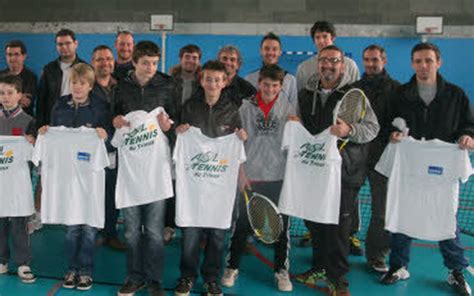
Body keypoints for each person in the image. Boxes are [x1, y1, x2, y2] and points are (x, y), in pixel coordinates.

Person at [380, 42, 474, 296]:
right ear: (412, 63)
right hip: (409, 168)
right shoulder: (401, 95)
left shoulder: (456, 95)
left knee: (445, 219)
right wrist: (393, 134)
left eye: (428, 61)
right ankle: (399, 266)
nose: (423, 66)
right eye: (418, 61)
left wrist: (467, 136)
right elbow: (387, 123)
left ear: (438, 62)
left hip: (440, 170)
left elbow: (469, 124)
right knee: (402, 218)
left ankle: (455, 270)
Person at [295, 45, 378, 295]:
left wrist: (349, 131)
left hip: (345, 172)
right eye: (324, 60)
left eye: (334, 61)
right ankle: (319, 266)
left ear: (343, 65)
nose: (328, 65)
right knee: (316, 222)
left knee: (339, 228)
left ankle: (338, 278)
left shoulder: (356, 94)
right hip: (314, 171)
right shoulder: (305, 94)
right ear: (317, 63)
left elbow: (372, 129)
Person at [174, 60, 247, 296]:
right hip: (194, 186)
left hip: (220, 188)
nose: (212, 83)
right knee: (191, 234)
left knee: (217, 235)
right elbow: (179, 138)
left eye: (217, 79)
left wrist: (241, 138)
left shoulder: (232, 110)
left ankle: (211, 279)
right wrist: (179, 132)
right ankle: (186, 277)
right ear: (201, 80)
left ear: (225, 82)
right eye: (208, 79)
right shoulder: (190, 107)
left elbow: (237, 145)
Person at [221, 64, 296, 292]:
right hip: (250, 177)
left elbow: (293, 145)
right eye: (265, 84)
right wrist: (241, 172)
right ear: (259, 84)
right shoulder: (244, 108)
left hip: (278, 176)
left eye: (275, 85)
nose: (270, 89)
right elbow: (236, 143)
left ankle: (281, 270)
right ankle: (232, 266)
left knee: (281, 228)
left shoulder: (289, 109)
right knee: (242, 225)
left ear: (281, 86)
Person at [39, 63, 111, 291]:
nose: (77, 87)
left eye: (82, 83)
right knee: (71, 227)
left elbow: (110, 139)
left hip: (90, 178)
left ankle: (86, 271)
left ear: (90, 85)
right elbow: (53, 135)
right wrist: (45, 133)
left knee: (89, 227)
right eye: (74, 83)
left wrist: (105, 135)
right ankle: (71, 268)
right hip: (67, 179)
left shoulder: (100, 107)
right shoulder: (60, 105)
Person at [113, 40, 176, 296]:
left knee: (153, 232)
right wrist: (114, 120)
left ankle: (154, 280)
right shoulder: (121, 88)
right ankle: (134, 277)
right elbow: (113, 118)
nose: (151, 67)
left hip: (156, 173)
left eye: (155, 62)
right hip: (129, 175)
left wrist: (167, 127)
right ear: (135, 62)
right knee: (130, 232)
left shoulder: (167, 86)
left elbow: (176, 121)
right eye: (146, 63)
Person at [351, 44, 400, 272]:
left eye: (375, 60)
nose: (371, 64)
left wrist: (398, 131)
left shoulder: (397, 90)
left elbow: (402, 121)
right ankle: (343, 245)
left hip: (383, 160)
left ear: (384, 60)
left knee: (382, 211)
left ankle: (376, 255)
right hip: (354, 158)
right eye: (367, 60)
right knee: (344, 207)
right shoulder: (354, 89)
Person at [0, 74, 36, 284]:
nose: (5, 97)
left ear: (19, 95)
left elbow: (35, 157)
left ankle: (23, 262)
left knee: (18, 225)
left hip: (18, 185)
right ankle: (2, 259)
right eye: (2, 93)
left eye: (10, 93)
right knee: (0, 223)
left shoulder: (29, 122)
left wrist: (31, 143)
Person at [90, 45, 127, 251]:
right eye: (99, 59)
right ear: (92, 62)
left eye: (108, 59)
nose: (105, 63)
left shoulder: (120, 87)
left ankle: (110, 233)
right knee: (92, 190)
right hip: (92, 148)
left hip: (116, 148)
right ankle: (92, 230)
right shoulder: (86, 87)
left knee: (112, 191)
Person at [37, 28, 86, 127]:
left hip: (80, 119)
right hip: (54, 119)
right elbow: (41, 101)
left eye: (68, 43)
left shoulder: (86, 68)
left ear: (75, 44)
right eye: (60, 44)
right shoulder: (48, 70)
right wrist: (40, 125)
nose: (64, 47)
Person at [296, 20, 359, 91]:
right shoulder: (304, 68)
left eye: (325, 36)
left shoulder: (350, 65)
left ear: (333, 38)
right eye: (317, 37)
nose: (321, 41)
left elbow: (355, 94)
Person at [244, 32, 298, 111]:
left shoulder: (290, 80)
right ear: (261, 51)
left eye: (274, 49)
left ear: (280, 52)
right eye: (267, 49)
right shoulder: (249, 79)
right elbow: (246, 111)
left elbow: (294, 110)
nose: (270, 52)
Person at [0, 40, 38, 116]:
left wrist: (4, 99)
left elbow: (26, 103)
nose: (13, 58)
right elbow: (20, 100)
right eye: (9, 54)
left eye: (16, 54)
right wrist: (18, 98)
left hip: (25, 120)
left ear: (24, 56)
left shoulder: (31, 77)